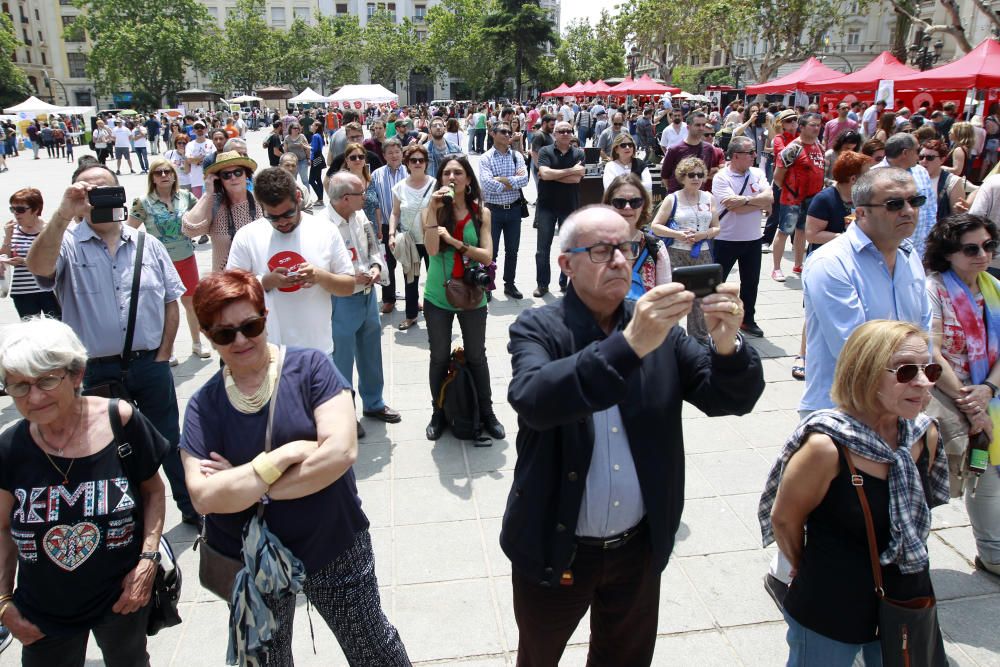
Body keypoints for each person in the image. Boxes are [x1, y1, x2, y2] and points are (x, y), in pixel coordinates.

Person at [503, 204, 764, 665]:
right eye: (603, 251)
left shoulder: (659, 330)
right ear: (566, 264)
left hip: (637, 548)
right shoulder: (539, 326)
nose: (621, 260)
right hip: (556, 548)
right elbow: (533, 399)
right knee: (539, 654)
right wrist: (629, 345)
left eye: (626, 247)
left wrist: (727, 343)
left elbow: (727, 398)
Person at [179, 270, 411, 666]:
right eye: (224, 334)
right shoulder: (203, 406)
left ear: (265, 317)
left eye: (250, 326)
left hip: (332, 544)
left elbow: (338, 453)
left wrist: (248, 484)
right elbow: (203, 496)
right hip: (251, 561)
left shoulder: (311, 368)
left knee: (373, 647)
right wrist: (280, 459)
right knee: (267, 660)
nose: (240, 340)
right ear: (206, 334)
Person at [760, 319, 949, 666]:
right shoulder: (826, 447)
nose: (924, 383)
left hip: (905, 597)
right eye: (907, 372)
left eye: (931, 369)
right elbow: (784, 521)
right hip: (832, 602)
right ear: (865, 372)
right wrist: (811, 569)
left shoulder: (925, 435)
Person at [25, 160, 196, 527]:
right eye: (87, 190)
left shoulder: (146, 244)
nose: (96, 196)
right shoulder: (67, 244)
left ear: (119, 193)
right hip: (94, 369)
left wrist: (164, 353)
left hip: (150, 363)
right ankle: (121, 520)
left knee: (168, 440)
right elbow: (38, 267)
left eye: (104, 188)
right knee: (104, 448)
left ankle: (191, 508)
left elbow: (171, 299)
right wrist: (63, 214)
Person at [0, 317, 171, 666]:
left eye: (46, 380)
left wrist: (147, 561)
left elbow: (154, 492)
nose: (33, 397)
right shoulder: (9, 448)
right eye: (18, 386)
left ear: (76, 375)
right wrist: (3, 603)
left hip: (123, 597)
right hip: (42, 611)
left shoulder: (120, 422)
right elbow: (1, 527)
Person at [922, 213, 1000, 578]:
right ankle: (910, 552)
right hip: (947, 397)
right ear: (948, 252)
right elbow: (931, 352)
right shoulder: (933, 289)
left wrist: (987, 390)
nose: (982, 255)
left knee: (987, 474)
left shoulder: (993, 287)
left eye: (988, 246)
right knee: (936, 479)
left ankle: (992, 553)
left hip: (991, 398)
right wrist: (969, 402)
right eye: (971, 248)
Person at [225, 167, 355, 358]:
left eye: (288, 214)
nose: (282, 222)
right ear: (261, 206)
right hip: (266, 355)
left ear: (297, 197)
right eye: (273, 217)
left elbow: (349, 286)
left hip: (317, 352)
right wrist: (265, 282)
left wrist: (320, 276)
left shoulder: (325, 230)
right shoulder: (246, 236)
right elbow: (229, 293)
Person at [422, 155, 504, 441]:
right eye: (446, 173)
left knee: (476, 356)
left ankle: (487, 412)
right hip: (437, 294)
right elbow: (432, 250)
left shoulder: (482, 213)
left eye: (458, 173)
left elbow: (487, 255)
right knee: (439, 356)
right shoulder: (430, 210)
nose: (452, 178)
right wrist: (433, 210)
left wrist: (456, 242)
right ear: (440, 179)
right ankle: (438, 412)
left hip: (472, 294)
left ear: (468, 179)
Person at [325, 172, 401, 430]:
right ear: (346, 198)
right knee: (342, 359)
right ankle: (345, 413)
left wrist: (377, 267)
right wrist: (346, 276)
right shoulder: (323, 226)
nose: (366, 196)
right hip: (342, 298)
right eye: (361, 193)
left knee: (371, 352)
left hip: (368, 294)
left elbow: (372, 247)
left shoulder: (359, 216)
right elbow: (319, 268)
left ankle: (374, 402)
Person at [128, 157, 211, 360]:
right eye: (159, 173)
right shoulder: (143, 202)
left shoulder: (186, 197)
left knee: (191, 304)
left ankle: (197, 343)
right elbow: (129, 232)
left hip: (186, 258)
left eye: (168, 172)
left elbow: (202, 216)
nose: (164, 175)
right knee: (165, 306)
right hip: (159, 263)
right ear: (152, 178)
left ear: (175, 175)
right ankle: (169, 349)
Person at [651, 157, 721, 343]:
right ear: (683, 177)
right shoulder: (672, 198)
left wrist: (703, 235)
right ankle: (672, 339)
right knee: (674, 298)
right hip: (676, 253)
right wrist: (677, 234)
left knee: (701, 300)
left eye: (700, 175)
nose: (696, 178)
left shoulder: (709, 197)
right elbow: (656, 226)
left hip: (703, 253)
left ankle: (699, 340)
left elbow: (716, 228)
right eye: (692, 175)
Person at [711, 136, 773, 339]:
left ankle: (748, 320)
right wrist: (756, 202)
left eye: (754, 152)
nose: (755, 155)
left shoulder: (757, 173)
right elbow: (731, 205)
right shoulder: (722, 177)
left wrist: (744, 202)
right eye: (750, 152)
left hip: (753, 239)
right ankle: (713, 321)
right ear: (736, 156)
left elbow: (769, 198)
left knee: (751, 283)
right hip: (725, 239)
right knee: (717, 283)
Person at [182, 151, 264, 272]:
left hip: (259, 278)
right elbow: (189, 230)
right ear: (219, 180)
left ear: (246, 175)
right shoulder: (214, 204)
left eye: (238, 172)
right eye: (226, 175)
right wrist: (208, 194)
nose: (233, 178)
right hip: (225, 283)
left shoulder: (261, 201)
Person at [771, 112, 826, 281]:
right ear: (801, 127)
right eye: (812, 125)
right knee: (784, 231)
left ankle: (798, 264)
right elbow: (778, 177)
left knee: (802, 231)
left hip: (812, 198)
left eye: (818, 125)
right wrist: (790, 192)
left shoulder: (819, 146)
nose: (817, 128)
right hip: (792, 198)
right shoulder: (793, 148)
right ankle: (776, 268)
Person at [534, 121, 585, 297]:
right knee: (542, 250)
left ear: (572, 134)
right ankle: (542, 284)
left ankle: (564, 282)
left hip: (569, 207)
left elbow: (576, 180)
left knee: (568, 248)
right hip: (547, 206)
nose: (565, 133)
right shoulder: (545, 151)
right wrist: (570, 170)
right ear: (554, 134)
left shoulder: (579, 153)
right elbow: (545, 174)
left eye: (568, 131)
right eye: (561, 131)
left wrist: (551, 175)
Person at [479, 121, 529, 300]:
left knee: (512, 250)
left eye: (510, 132)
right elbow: (487, 184)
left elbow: (525, 180)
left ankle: (509, 284)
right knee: (491, 251)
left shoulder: (516, 156)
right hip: (493, 212)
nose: (508, 135)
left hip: (514, 210)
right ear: (493, 133)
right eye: (503, 131)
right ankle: (487, 285)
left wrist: (501, 180)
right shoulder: (486, 158)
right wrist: (512, 182)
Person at [389, 144, 436, 330]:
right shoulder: (399, 187)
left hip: (431, 239)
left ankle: (435, 314)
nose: (417, 163)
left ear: (426, 163)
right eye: (413, 160)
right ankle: (411, 315)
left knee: (434, 279)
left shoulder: (435, 184)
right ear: (407, 163)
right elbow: (395, 213)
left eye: (421, 160)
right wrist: (392, 234)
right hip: (410, 240)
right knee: (410, 280)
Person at [601, 173, 671, 291]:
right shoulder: (594, 245)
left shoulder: (656, 248)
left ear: (643, 206)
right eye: (620, 202)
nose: (628, 207)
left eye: (635, 202)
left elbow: (665, 297)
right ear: (609, 204)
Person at [872, 133, 938, 258]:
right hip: (886, 252)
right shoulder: (873, 176)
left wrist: (930, 240)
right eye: (917, 150)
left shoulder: (921, 172)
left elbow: (930, 208)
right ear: (905, 153)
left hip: (919, 250)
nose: (919, 156)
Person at [1, 189, 61, 319]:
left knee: (58, 327)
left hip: (49, 290)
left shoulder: (49, 230)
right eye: (13, 209)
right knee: (31, 333)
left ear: (35, 210)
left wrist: (24, 261)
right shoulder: (13, 230)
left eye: (21, 209)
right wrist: (7, 237)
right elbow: (4, 258)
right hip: (22, 291)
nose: (16, 213)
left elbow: (58, 259)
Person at [661, 111, 720, 194]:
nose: (701, 128)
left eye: (703, 125)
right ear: (688, 128)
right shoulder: (674, 150)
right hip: (678, 198)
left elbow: (705, 172)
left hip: (698, 197)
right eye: (697, 125)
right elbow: (665, 176)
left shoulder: (708, 148)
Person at [921, 139, 972, 223]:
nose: (924, 161)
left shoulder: (953, 182)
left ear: (942, 160)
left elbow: (956, 217)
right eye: (921, 157)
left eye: (930, 158)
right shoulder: (913, 177)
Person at [339, 143, 379, 226]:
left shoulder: (371, 180)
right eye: (353, 158)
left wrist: (379, 229)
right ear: (347, 160)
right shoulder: (342, 183)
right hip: (353, 230)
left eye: (361, 157)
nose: (357, 159)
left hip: (372, 231)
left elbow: (377, 207)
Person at [185, 121, 215, 198]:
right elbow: (188, 159)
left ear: (205, 129)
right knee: (199, 206)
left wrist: (196, 159)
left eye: (201, 127)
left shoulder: (212, 143)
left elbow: (214, 159)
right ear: (193, 130)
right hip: (196, 181)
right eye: (197, 128)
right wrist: (205, 159)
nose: (199, 129)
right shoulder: (190, 145)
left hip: (211, 180)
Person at [308, 120, 327, 207]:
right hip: (319, 158)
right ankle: (320, 199)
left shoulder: (315, 136)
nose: (311, 126)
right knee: (318, 179)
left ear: (316, 127)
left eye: (312, 125)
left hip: (316, 158)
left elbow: (314, 149)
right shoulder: (319, 135)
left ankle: (320, 198)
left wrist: (305, 146)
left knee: (311, 180)